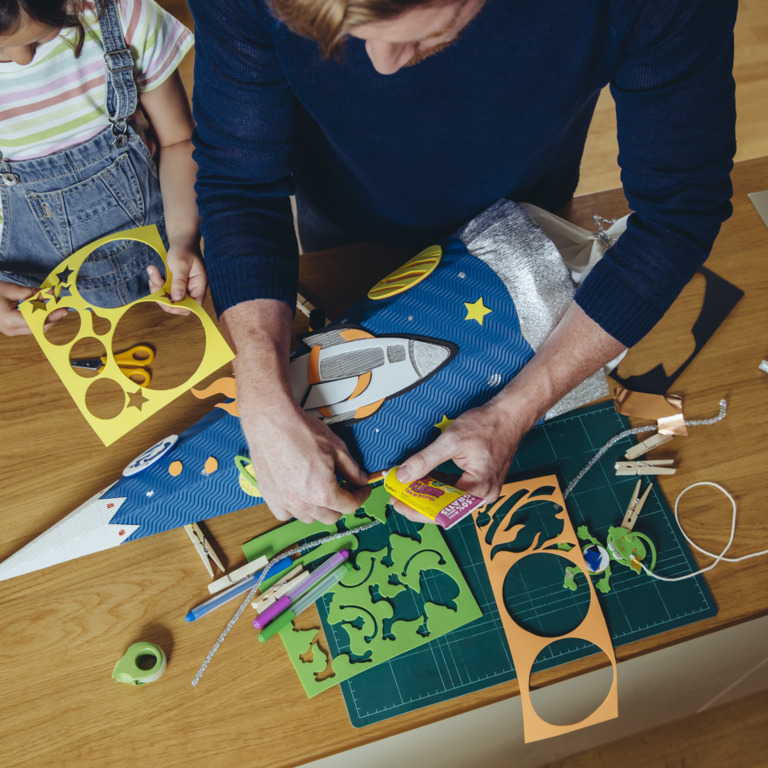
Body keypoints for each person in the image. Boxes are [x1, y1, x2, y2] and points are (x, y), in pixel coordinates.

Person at [187, 0, 737, 525]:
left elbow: (676, 217)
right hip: (343, 234)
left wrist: (514, 411)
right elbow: (239, 183)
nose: (380, 66)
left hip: (527, 231)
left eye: (419, 33)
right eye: (338, 37)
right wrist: (259, 392)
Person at [0, 0, 205, 336]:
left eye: (41, 38)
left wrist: (183, 238)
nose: (24, 58)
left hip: (161, 270)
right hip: (35, 310)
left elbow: (178, 141)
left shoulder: (126, 19)